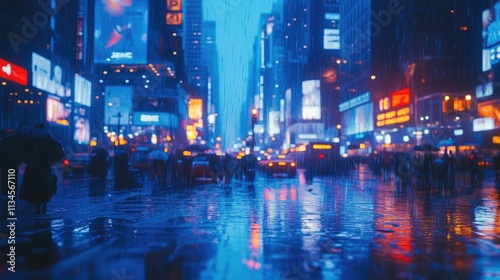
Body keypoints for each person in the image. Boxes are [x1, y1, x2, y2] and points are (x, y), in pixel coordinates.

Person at [18, 125, 64, 215]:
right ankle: (43, 203)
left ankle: (37, 204)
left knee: (35, 186)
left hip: (33, 168)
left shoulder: (30, 142)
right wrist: (50, 162)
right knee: (44, 186)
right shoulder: (50, 141)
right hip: (44, 168)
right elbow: (58, 155)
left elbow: (24, 156)